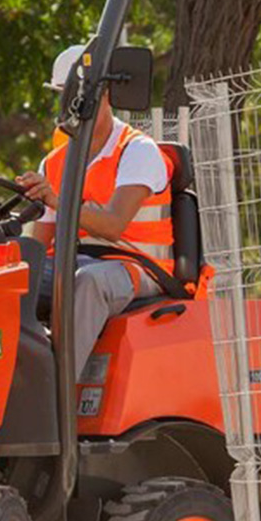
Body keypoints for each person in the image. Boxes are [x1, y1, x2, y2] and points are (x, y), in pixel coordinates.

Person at [17, 44, 174, 379]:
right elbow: (40, 247)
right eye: (61, 95)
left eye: (72, 96)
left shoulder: (136, 151)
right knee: (10, 278)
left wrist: (58, 201)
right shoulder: (55, 162)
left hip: (135, 267)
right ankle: (10, 382)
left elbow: (114, 225)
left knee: (88, 282)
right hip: (73, 262)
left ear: (102, 94)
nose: (66, 106)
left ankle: (54, 395)